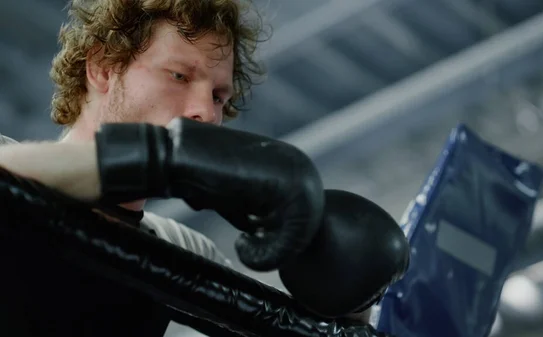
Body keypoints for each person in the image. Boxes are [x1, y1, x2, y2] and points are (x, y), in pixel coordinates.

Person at [0, 0, 409, 335]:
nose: (205, 113)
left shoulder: (182, 248)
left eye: (218, 95)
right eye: (179, 75)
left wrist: (345, 282)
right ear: (103, 68)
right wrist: (157, 160)